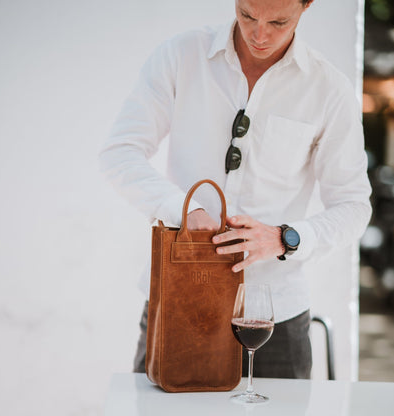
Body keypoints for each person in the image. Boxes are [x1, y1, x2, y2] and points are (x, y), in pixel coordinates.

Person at [99, 0, 372, 379]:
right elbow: (120, 152)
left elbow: (354, 205)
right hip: (179, 301)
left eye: (278, 21)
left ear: (307, 5)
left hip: (276, 316)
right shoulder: (181, 55)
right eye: (247, 15)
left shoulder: (329, 89)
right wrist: (183, 209)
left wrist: (285, 238)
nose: (259, 35)